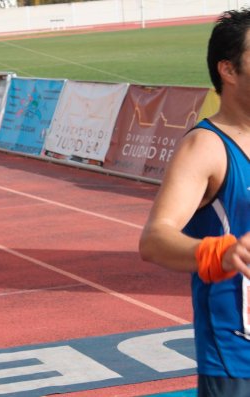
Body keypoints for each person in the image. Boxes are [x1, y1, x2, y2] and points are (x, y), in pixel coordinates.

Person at [139, 9, 250, 396]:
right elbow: (154, 240)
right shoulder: (205, 148)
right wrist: (221, 252)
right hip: (238, 356)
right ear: (229, 70)